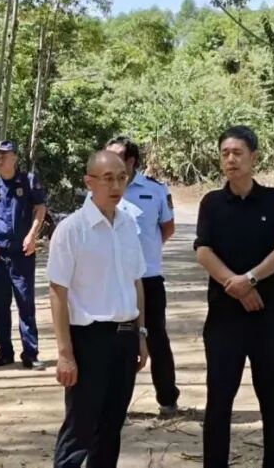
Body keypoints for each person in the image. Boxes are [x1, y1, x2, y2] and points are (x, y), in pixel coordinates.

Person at [195, 126, 274, 468]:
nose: (231, 159)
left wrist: (250, 280)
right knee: (218, 403)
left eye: (237, 153)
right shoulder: (211, 203)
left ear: (254, 157)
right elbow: (203, 251)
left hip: (269, 319)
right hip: (223, 321)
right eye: (225, 153)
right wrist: (234, 286)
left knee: (273, 401)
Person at [47, 151, 149, 468]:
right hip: (89, 340)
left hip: (125, 337)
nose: (116, 186)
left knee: (111, 427)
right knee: (80, 427)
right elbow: (57, 292)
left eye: (121, 178)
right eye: (107, 179)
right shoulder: (72, 230)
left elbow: (136, 282)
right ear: (89, 182)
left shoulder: (128, 224)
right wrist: (65, 353)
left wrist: (141, 335)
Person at [104, 137, 179, 418]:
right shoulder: (98, 189)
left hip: (148, 278)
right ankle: (115, 404)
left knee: (156, 338)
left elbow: (167, 227)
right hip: (112, 280)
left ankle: (167, 399)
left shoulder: (154, 190)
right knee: (115, 341)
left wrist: (146, 254)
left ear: (131, 161)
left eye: (116, 157)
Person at [0, 140, 47, 370]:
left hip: (22, 253)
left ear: (14, 157)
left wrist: (32, 235)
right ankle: (5, 352)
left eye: (3, 156)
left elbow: (40, 208)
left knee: (25, 304)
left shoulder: (29, 181)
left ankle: (30, 353)